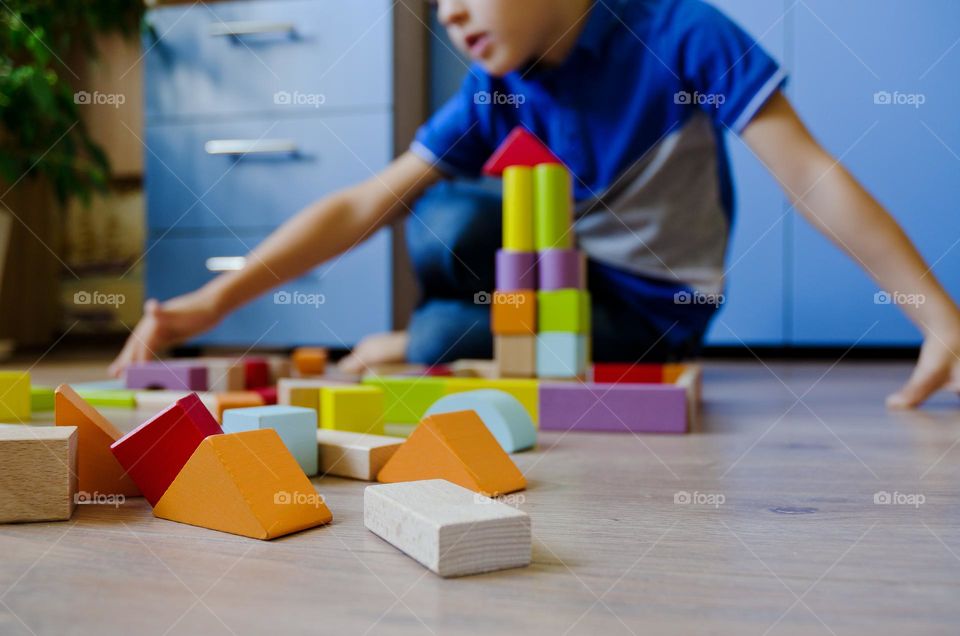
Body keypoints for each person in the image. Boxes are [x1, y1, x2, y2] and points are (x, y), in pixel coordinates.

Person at [110, 0, 960, 408]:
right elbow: (366, 201)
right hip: (554, 284)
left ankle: (418, 337)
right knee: (444, 223)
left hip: (658, 310)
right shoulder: (495, 87)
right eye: (438, 3)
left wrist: (935, 317)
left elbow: (808, 174)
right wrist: (208, 305)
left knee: (441, 335)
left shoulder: (682, 33)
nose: (448, 14)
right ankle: (437, 334)